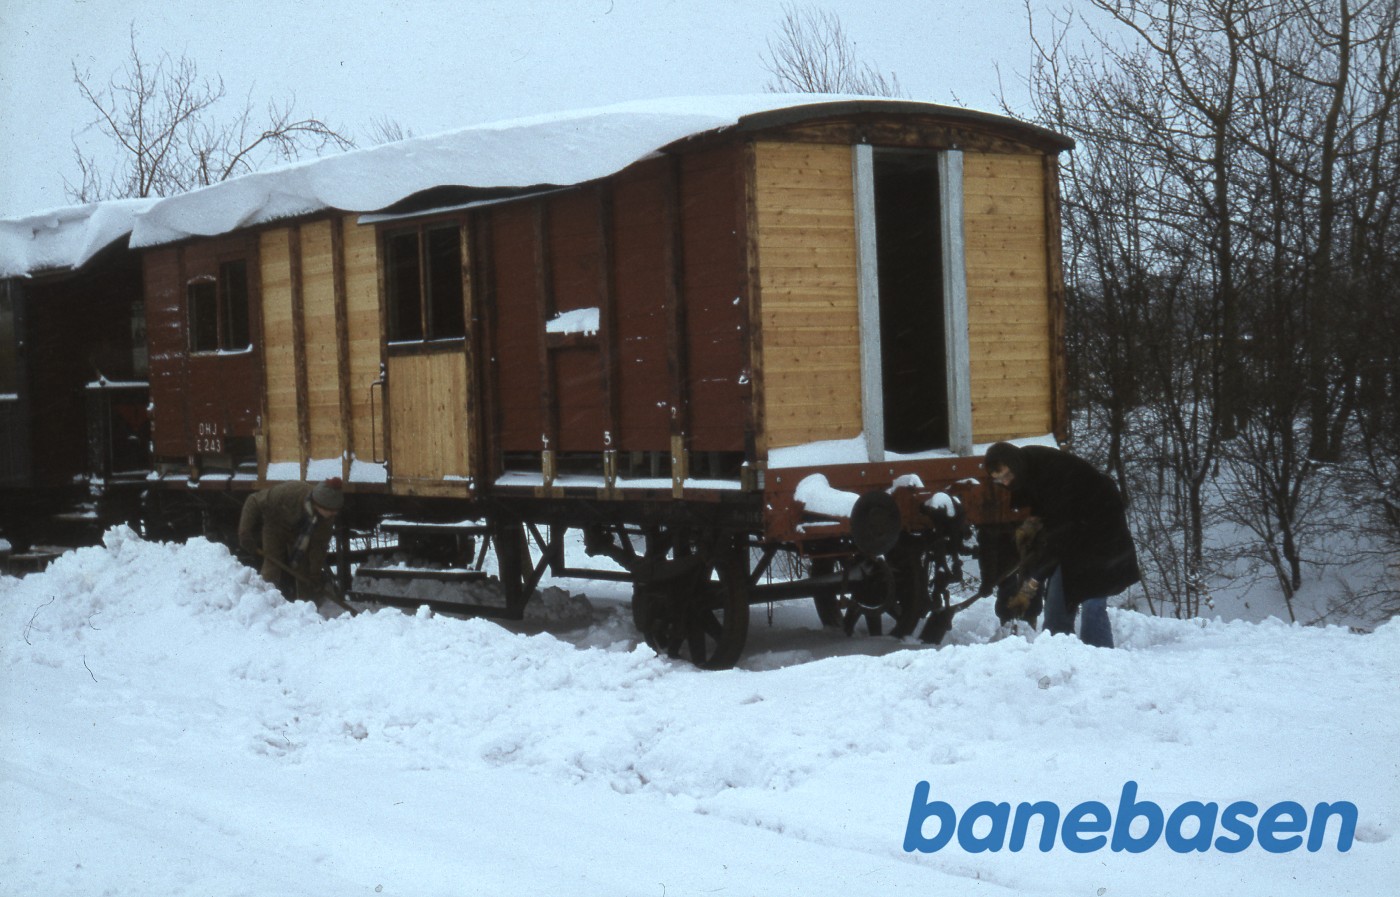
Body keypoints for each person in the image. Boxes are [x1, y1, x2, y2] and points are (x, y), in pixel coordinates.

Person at [984, 442, 1139, 648]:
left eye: (1006, 475)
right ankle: (1059, 653)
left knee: (1092, 598)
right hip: (1072, 529)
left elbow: (1058, 539)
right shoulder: (1027, 468)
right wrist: (1031, 529)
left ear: (1015, 465)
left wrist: (1032, 584)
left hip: (1101, 526)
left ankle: (1101, 660)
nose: (1005, 482)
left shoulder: (1052, 473)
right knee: (1057, 606)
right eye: (999, 480)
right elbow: (1043, 513)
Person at [238, 477, 344, 600]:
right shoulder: (289, 492)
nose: (334, 514)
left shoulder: (326, 520)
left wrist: (314, 575)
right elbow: (253, 501)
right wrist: (244, 532)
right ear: (320, 504)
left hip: (301, 535)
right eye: (331, 511)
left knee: (304, 573)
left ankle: (306, 610)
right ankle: (263, 601)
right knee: (272, 565)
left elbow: (319, 547)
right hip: (275, 525)